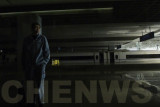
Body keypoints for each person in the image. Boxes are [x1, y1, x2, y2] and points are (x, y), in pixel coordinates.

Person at [22, 22, 50, 107]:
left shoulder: (42, 38)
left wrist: (43, 64)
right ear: (32, 29)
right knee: (30, 84)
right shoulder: (26, 40)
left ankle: (41, 102)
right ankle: (31, 102)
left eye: (38, 27)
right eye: (35, 27)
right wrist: (24, 65)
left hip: (39, 66)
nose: (37, 29)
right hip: (30, 66)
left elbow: (47, 53)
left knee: (40, 84)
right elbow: (23, 54)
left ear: (40, 29)